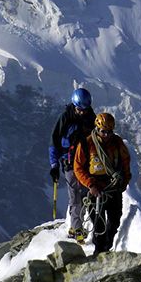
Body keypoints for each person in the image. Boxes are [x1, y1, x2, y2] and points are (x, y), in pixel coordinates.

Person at [73, 112, 131, 256]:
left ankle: (107, 246)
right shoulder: (87, 144)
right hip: (95, 188)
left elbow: (125, 163)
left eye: (109, 132)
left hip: (112, 187)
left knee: (114, 221)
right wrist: (90, 184)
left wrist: (124, 181)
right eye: (103, 131)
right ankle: (99, 251)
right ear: (97, 129)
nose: (106, 135)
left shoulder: (117, 143)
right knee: (98, 223)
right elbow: (78, 167)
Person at [49, 87, 96, 241]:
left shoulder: (91, 117)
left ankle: (73, 226)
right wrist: (54, 165)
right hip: (69, 163)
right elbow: (54, 142)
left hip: (87, 163)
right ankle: (77, 230)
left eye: (84, 109)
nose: (82, 112)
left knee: (83, 196)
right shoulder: (66, 118)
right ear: (74, 106)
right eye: (79, 109)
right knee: (76, 196)